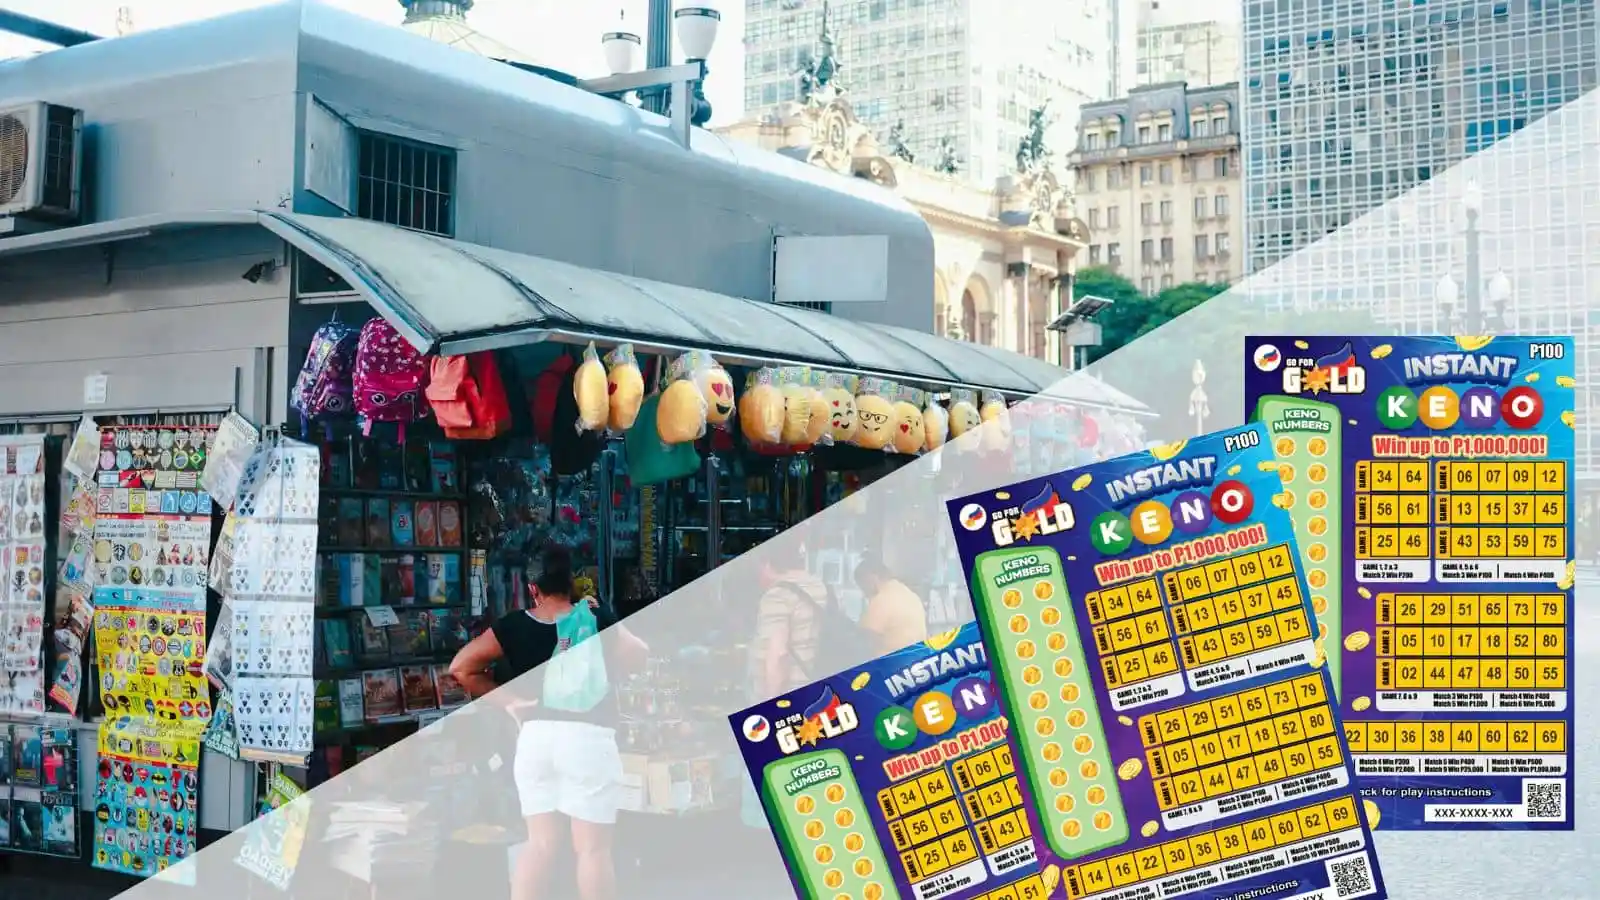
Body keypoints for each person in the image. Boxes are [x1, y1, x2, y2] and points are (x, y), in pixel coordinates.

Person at [449, 545, 649, 900]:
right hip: (587, 738)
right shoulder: (594, 618)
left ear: (532, 588)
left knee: (539, 845)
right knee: (592, 850)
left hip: (535, 739)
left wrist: (510, 702)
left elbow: (461, 668)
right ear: (571, 582)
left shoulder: (513, 626)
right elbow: (639, 654)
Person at [854, 555, 928, 654]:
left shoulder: (881, 599)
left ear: (872, 578)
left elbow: (866, 640)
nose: (864, 593)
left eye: (863, 586)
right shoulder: (910, 594)